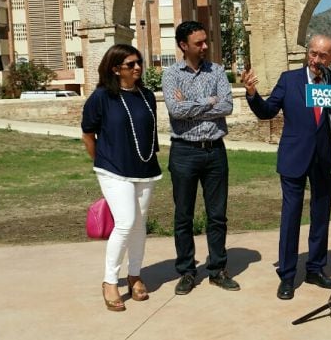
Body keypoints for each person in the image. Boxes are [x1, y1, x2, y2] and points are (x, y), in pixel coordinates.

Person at [241, 34, 331, 300]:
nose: (316, 59)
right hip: (294, 158)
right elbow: (267, 111)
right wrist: (252, 94)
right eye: (313, 54)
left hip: (325, 159)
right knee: (291, 218)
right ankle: (288, 276)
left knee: (320, 217)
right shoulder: (289, 79)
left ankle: (315, 268)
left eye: (322, 55)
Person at [81, 44, 162, 312]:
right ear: (116, 69)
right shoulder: (102, 97)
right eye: (131, 64)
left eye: (139, 62)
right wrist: (101, 162)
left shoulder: (146, 96)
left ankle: (135, 275)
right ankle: (109, 281)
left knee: (139, 225)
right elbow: (88, 134)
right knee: (126, 222)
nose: (137, 67)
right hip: (113, 169)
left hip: (145, 168)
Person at [162, 21, 239, 295]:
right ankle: (186, 272)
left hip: (215, 150)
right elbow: (175, 109)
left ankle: (217, 269)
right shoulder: (171, 75)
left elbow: (227, 106)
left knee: (217, 215)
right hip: (184, 151)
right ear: (184, 45)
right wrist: (209, 102)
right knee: (183, 216)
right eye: (199, 43)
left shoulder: (217, 71)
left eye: (205, 41)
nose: (205, 47)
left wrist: (192, 105)